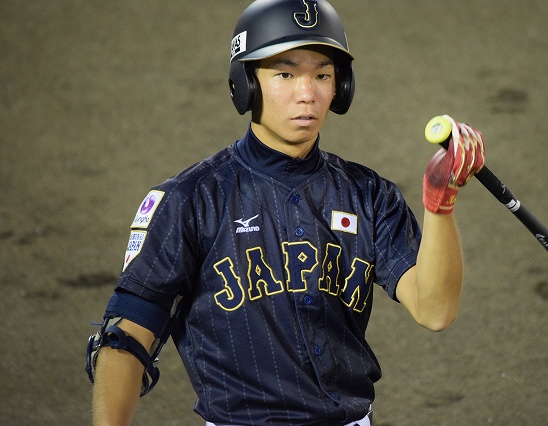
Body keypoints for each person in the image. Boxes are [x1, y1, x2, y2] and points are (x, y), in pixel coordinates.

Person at [85, 0, 485, 425]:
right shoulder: (191, 200)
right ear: (246, 84)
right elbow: (126, 334)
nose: (307, 93)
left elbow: (434, 309)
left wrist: (440, 205)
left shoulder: (369, 194)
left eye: (322, 75)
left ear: (341, 87)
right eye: (285, 74)